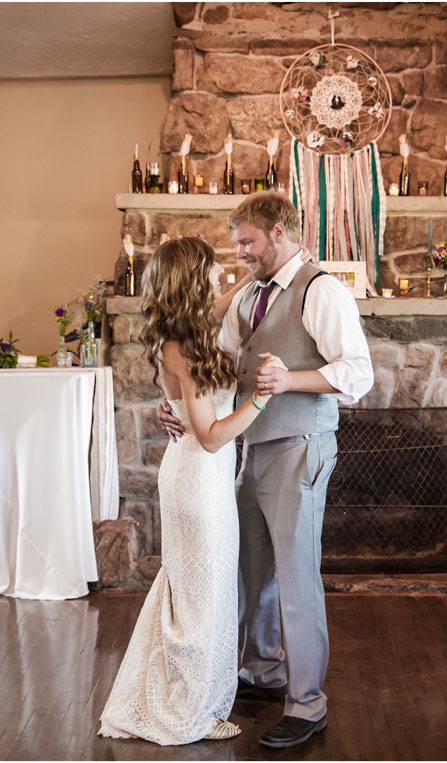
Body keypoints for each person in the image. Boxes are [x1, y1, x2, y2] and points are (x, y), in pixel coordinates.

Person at [158, 192, 373, 748]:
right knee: (252, 572)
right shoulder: (249, 294)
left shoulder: (322, 290)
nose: (242, 252)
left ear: (280, 233)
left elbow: (358, 373)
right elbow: (219, 363)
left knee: (296, 577)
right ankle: (260, 671)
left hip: (300, 444)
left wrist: (290, 381)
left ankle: (307, 703)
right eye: (237, 243)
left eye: (248, 241)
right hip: (249, 448)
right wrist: (178, 402)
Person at [98, 236, 285, 746]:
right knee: (203, 600)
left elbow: (239, 288)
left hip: (201, 479)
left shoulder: (193, 328)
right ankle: (189, 710)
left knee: (200, 594)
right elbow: (210, 436)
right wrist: (262, 400)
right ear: (191, 281)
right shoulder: (182, 346)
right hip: (198, 482)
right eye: (210, 271)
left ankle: (190, 696)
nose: (219, 277)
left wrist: (272, 262)